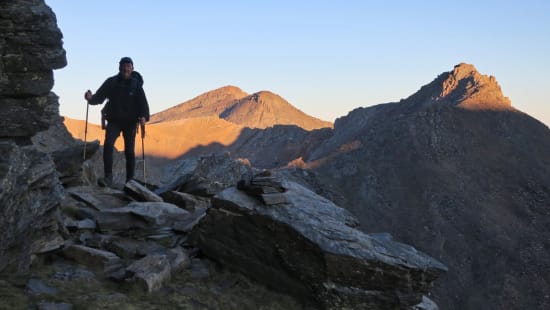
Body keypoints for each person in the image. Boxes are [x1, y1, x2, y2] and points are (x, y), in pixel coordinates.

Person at [84, 57, 150, 187]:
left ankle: (129, 181)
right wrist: (90, 99)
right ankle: (108, 178)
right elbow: (99, 97)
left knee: (129, 151)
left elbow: (143, 104)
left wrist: (144, 117)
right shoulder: (111, 82)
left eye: (128, 67)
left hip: (130, 122)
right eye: (124, 66)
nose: (126, 69)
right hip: (114, 120)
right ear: (119, 68)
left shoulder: (136, 85)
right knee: (108, 145)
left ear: (132, 68)